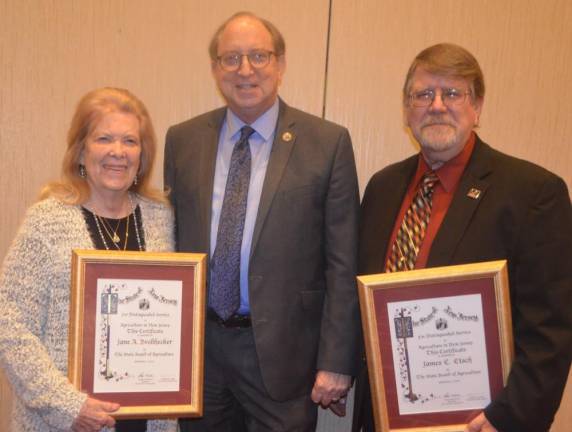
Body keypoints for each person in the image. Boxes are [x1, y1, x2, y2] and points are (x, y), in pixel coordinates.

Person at [352, 43, 572, 432]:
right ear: (407, 110)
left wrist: (507, 417)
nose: (437, 105)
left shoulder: (533, 193)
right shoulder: (382, 188)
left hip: (479, 421)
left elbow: (552, 329)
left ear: (478, 107)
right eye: (423, 94)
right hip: (386, 415)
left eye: (453, 93)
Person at [164, 11, 361, 432]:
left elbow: (343, 264)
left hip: (284, 354)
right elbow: (171, 243)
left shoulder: (327, 143)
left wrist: (336, 360)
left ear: (281, 63)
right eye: (231, 58)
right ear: (216, 69)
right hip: (202, 354)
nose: (245, 69)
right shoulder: (182, 140)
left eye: (258, 55)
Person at [0, 87, 177, 432]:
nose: (117, 152)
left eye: (130, 141)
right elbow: (10, 325)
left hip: (149, 418)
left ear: (143, 155)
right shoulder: (47, 221)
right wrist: (67, 405)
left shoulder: (162, 218)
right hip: (66, 421)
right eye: (104, 139)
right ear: (81, 151)